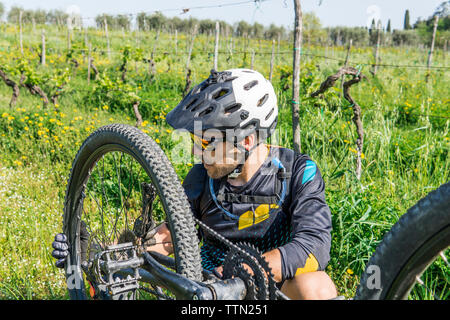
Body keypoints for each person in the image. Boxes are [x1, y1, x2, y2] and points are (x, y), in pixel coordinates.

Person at [52, 68, 338, 300]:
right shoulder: (203, 177)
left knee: (317, 288)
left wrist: (237, 276)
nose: (196, 153)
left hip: (268, 290)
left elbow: (314, 248)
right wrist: (96, 259)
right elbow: (166, 239)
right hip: (207, 296)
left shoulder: (298, 172)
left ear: (247, 140)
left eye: (206, 141)